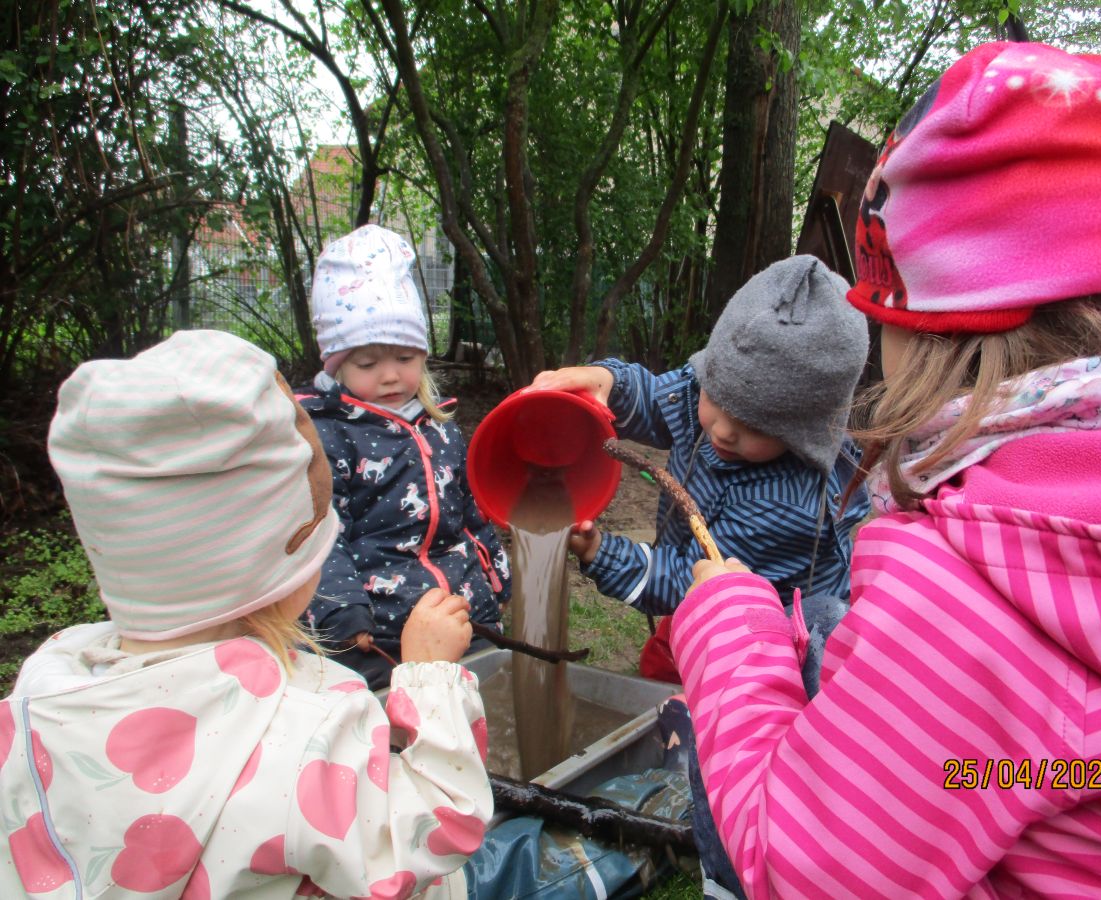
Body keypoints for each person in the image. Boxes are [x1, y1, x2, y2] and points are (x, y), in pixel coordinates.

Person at [670, 41, 1101, 898]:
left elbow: (804, 867)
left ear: (923, 321)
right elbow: (1061, 775)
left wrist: (732, 627)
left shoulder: (976, 588)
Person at [0, 330, 492, 899]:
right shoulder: (310, 724)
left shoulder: (41, 687)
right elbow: (441, 825)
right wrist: (429, 676)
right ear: (283, 567)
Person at [533, 255, 871, 683]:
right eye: (715, 397)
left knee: (714, 711)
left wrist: (602, 553)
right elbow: (660, 400)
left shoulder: (789, 507)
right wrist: (607, 382)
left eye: (754, 425)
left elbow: (695, 582)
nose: (723, 431)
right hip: (702, 597)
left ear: (804, 433)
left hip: (763, 640)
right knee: (667, 670)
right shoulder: (707, 388)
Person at [297, 224, 510, 689]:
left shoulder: (442, 430)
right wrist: (342, 614)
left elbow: (471, 516)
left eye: (406, 358)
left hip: (460, 620)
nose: (391, 376)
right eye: (368, 364)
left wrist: (497, 579)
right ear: (336, 365)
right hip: (376, 634)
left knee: (485, 705)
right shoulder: (328, 438)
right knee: (388, 726)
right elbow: (319, 532)